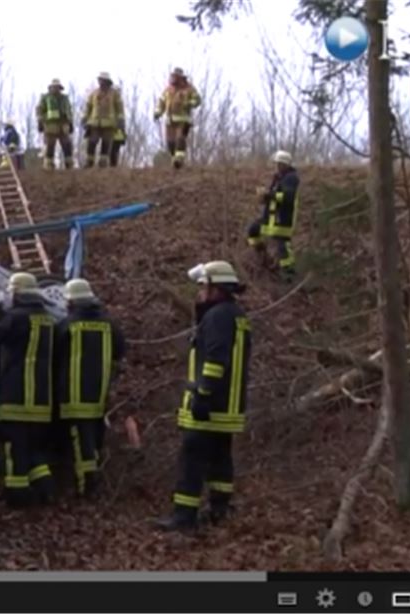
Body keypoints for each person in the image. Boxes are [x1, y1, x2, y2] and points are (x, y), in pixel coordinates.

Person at [156, 261, 251, 532]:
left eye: (202, 286)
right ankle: (220, 509)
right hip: (228, 406)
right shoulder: (236, 314)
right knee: (221, 457)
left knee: (191, 459)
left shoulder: (218, 315)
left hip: (211, 406)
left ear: (216, 288)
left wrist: (203, 394)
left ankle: (183, 517)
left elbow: (215, 360)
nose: (199, 292)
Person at [0, 272, 57, 507]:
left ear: (16, 293)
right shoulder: (46, 318)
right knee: (34, 448)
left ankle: (17, 497)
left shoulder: (15, 318)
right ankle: (47, 490)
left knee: (13, 448)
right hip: (41, 398)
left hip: (15, 396)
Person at [53, 279, 126, 498]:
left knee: (80, 441)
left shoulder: (66, 325)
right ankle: (95, 478)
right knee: (94, 438)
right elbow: (119, 352)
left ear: (72, 302)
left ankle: (87, 486)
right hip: (99, 394)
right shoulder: (110, 325)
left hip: (74, 395)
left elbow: (54, 356)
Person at [248, 150, 300, 282]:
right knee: (253, 230)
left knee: (283, 246)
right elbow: (273, 195)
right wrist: (264, 197)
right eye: (276, 164)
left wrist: (269, 195)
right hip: (270, 218)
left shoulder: (291, 178)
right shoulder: (278, 178)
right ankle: (262, 256)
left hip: (282, 219)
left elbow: (287, 197)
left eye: (279, 164)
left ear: (286, 164)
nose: (277, 167)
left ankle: (289, 274)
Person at [154, 68, 202, 170]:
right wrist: (158, 112)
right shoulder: (168, 90)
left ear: (180, 77)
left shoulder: (189, 88)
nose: (173, 79)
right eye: (172, 76)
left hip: (183, 120)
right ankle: (174, 160)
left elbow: (197, 100)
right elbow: (161, 102)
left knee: (180, 139)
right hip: (170, 120)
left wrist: (189, 103)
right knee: (170, 142)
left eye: (175, 76)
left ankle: (179, 160)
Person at [83, 72, 125, 168]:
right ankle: (89, 162)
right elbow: (88, 106)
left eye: (103, 80)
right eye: (100, 80)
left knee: (106, 143)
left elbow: (119, 107)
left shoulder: (115, 94)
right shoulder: (94, 93)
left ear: (107, 82)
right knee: (92, 142)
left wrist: (121, 120)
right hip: (94, 123)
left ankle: (103, 163)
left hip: (109, 123)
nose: (101, 82)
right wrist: (84, 118)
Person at [36, 78, 74, 170]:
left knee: (67, 145)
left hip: (63, 125)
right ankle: (49, 165)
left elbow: (69, 110)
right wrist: (40, 121)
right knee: (50, 145)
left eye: (57, 87)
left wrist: (71, 123)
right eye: (54, 87)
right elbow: (39, 110)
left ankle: (69, 165)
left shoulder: (65, 98)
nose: (56, 89)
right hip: (50, 125)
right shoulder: (45, 97)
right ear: (50, 87)